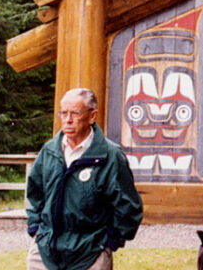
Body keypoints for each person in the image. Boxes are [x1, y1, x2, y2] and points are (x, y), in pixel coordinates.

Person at [26, 87, 143, 270]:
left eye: (75, 113)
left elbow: (129, 207)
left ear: (92, 116)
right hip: (45, 253)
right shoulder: (49, 151)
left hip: (91, 255)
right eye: (63, 113)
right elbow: (35, 193)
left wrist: (110, 242)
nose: (67, 120)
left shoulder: (110, 156)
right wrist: (36, 230)